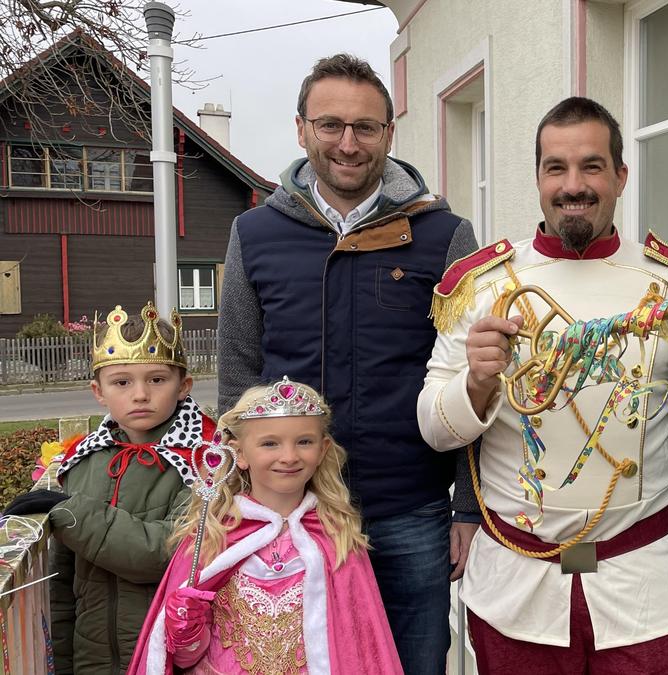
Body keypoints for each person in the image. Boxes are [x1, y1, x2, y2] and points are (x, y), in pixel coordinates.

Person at [416, 96, 668, 674]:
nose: (574, 186)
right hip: (519, 590)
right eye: (557, 168)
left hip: (643, 591)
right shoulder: (481, 286)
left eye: (592, 166)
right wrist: (475, 383)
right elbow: (433, 428)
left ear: (621, 175)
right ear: (538, 178)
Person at [216, 53, 479, 674]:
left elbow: (471, 385)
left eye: (366, 127)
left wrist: (467, 506)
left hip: (409, 511)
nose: (348, 143)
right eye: (330, 125)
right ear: (301, 128)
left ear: (389, 133)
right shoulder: (254, 234)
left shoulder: (443, 235)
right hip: (291, 513)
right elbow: (238, 376)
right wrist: (239, 499)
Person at [127, 377, 404, 675]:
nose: (289, 457)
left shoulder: (337, 539)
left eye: (304, 442)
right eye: (270, 443)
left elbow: (360, 650)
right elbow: (183, 659)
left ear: (323, 449)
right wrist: (186, 632)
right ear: (240, 453)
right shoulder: (212, 538)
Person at [3, 301, 214, 674]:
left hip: (169, 654)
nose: (139, 395)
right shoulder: (85, 461)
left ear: (184, 386)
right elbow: (63, 583)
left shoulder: (204, 462)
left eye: (157, 380)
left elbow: (167, 556)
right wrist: (63, 664)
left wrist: (72, 512)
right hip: (93, 658)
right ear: (98, 392)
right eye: (121, 382)